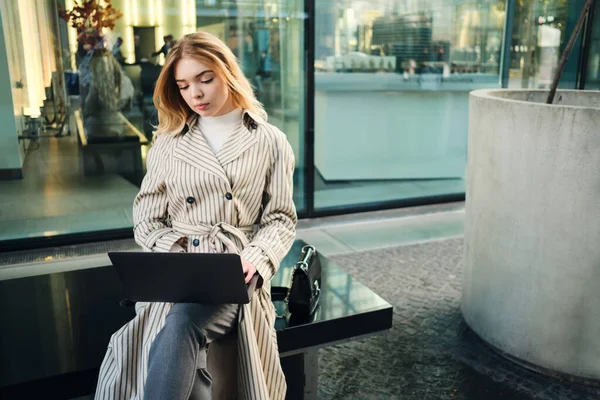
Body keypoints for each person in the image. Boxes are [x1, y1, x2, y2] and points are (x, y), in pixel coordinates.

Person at [94, 31, 297, 400]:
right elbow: (147, 219)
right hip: (180, 268)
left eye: (205, 79)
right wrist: (179, 250)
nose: (196, 95)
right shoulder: (169, 142)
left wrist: (256, 257)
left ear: (228, 74)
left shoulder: (270, 140)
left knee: (184, 320)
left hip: (236, 270)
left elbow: (280, 218)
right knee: (176, 322)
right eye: (184, 85)